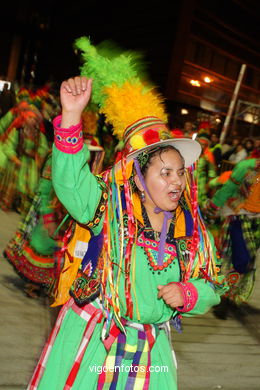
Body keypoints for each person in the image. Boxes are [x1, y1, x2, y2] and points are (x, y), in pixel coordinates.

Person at [27, 38, 226, 390]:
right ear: (136, 176)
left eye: (180, 172)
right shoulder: (107, 207)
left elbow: (211, 284)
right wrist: (71, 115)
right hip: (92, 340)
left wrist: (189, 292)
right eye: (165, 172)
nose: (177, 182)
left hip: (152, 351)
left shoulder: (191, 227)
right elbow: (71, 184)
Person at [204, 158, 260, 319]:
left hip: (256, 223)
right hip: (237, 217)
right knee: (241, 259)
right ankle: (223, 299)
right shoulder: (246, 167)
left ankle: (232, 297)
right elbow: (228, 189)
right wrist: (211, 208)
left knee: (246, 261)